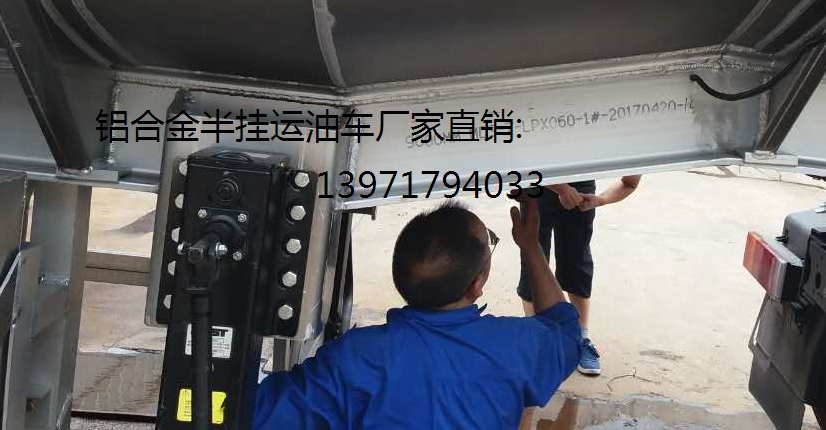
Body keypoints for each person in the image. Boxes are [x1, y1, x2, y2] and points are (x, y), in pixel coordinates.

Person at [254, 197, 581, 429]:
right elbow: (567, 329)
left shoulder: (354, 358)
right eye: (489, 243)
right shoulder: (517, 347)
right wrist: (531, 246)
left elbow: (256, 412)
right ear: (477, 284)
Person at [516, 175, 642, 376]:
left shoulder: (635, 156)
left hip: (580, 186)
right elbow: (524, 165)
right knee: (533, 258)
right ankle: (537, 339)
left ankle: (579, 338)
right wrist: (562, 188)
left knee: (577, 260)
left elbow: (629, 183)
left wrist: (600, 200)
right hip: (536, 185)